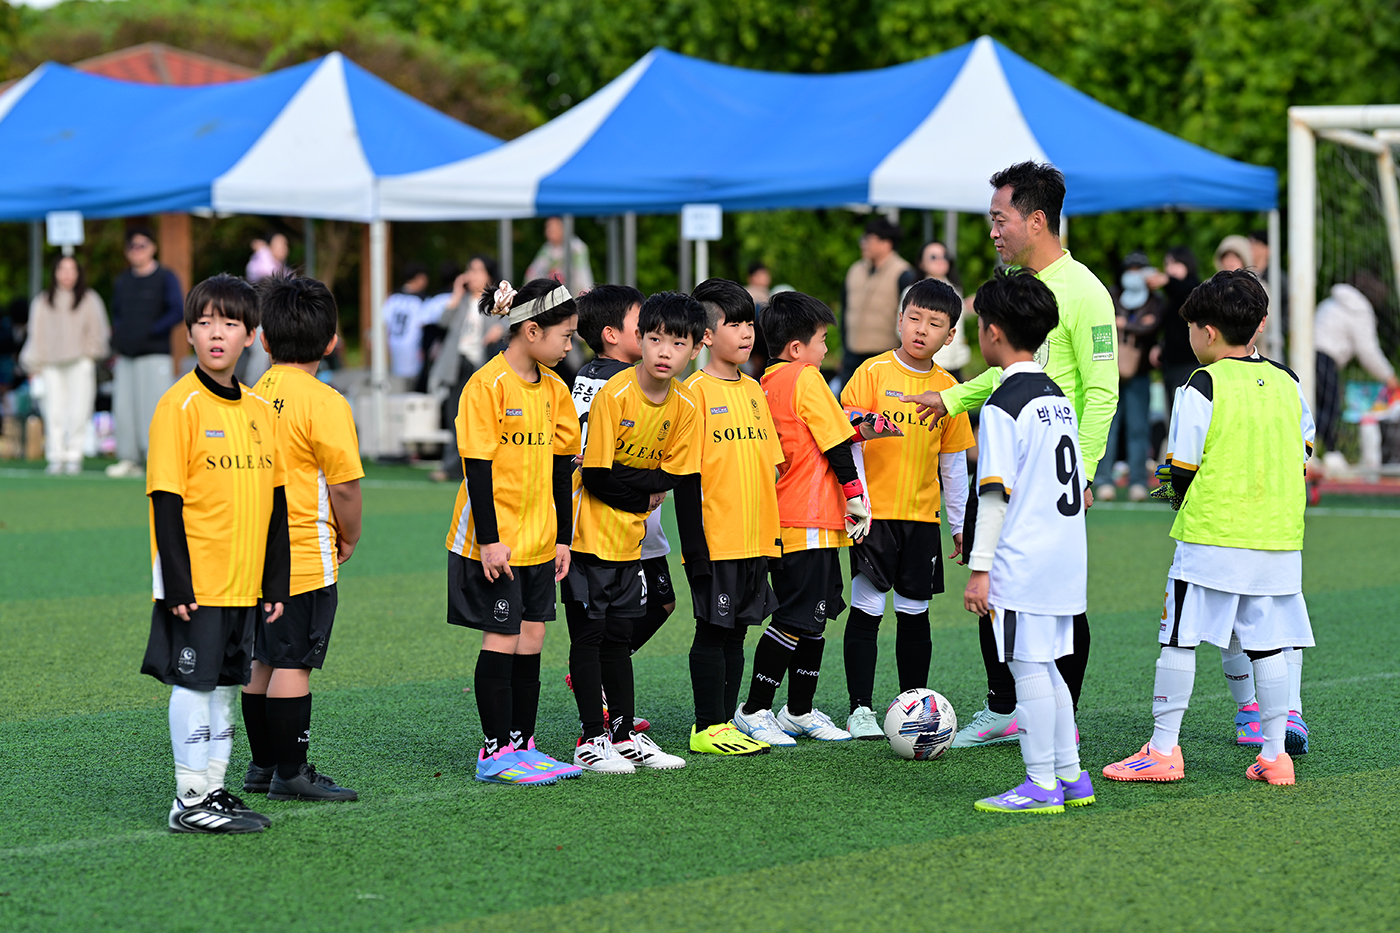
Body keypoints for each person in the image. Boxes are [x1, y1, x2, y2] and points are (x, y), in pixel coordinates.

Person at [903, 161, 1117, 747]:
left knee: (1056, 595)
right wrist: (950, 398)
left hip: (1051, 472)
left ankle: (1060, 716)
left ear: (1037, 220)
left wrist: (1084, 472)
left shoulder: (1086, 293)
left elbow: (1101, 392)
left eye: (1001, 220)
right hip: (1004, 454)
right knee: (991, 576)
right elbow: (1009, 374)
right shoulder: (1017, 288)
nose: (993, 231)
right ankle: (1005, 706)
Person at [1103, 270, 1315, 787]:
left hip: (1211, 538)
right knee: (1268, 643)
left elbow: (1181, 467)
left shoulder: (1203, 383)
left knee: (1178, 639)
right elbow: (1304, 450)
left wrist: (1172, 494)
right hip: (1279, 539)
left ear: (1208, 332)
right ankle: (1274, 756)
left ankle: (1162, 750)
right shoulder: (1288, 381)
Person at [140, 273, 289, 833]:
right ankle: (188, 799)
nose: (216, 333)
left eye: (229, 323)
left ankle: (214, 789)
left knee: (227, 685)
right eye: (204, 323)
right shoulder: (179, 406)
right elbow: (165, 501)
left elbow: (276, 502)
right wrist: (177, 582)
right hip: (197, 582)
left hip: (244, 582)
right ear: (189, 334)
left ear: (251, 334)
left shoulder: (260, 410)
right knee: (194, 684)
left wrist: (275, 581)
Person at [963, 269, 1092, 814]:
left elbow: (994, 495)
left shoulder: (1002, 404)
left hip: (1024, 559)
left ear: (993, 332)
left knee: (1026, 667)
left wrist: (980, 569)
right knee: (1048, 665)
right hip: (1065, 555)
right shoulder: (1057, 396)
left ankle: (1040, 783)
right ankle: (1071, 776)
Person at [445, 277, 583, 785]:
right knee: (502, 637)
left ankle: (523, 745)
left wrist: (562, 537)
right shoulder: (487, 385)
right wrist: (489, 540)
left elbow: (562, 467)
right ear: (531, 331)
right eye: (565, 335)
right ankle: (494, 751)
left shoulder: (556, 389)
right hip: (494, 541)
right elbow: (477, 470)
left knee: (533, 637)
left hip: (539, 541)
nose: (569, 346)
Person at [565, 289, 701, 773]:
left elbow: (673, 476)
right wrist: (644, 494)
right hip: (585, 534)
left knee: (620, 638)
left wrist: (638, 483)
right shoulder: (614, 393)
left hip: (630, 539)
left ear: (695, 349)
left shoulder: (686, 405)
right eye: (656, 339)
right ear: (639, 339)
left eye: (678, 343)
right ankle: (590, 740)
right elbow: (597, 477)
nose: (665, 352)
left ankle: (623, 736)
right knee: (590, 636)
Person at [240, 275, 363, 803]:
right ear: (331, 342)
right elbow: (345, 487)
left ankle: (263, 765)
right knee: (292, 662)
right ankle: (291, 772)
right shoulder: (325, 402)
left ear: (264, 340)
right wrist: (350, 536)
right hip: (302, 552)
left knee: (262, 658)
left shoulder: (248, 395)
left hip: (250, 551)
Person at [840, 278, 975, 738]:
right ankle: (860, 709)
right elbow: (847, 442)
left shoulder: (950, 389)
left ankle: (914, 707)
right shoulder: (871, 373)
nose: (921, 329)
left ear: (950, 336)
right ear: (899, 319)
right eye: (914, 318)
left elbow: (953, 465)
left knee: (915, 612)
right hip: (873, 516)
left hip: (921, 519)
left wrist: (959, 525)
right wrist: (856, 500)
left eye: (934, 324)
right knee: (868, 607)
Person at [733, 287, 866, 747]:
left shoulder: (764, 382)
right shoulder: (806, 377)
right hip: (807, 518)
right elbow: (836, 441)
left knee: (814, 616)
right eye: (822, 339)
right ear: (796, 348)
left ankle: (799, 710)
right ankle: (754, 709)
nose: (826, 349)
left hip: (794, 519)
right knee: (795, 618)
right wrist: (855, 496)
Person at [679, 288, 786, 756]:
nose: (746, 333)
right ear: (706, 335)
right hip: (716, 540)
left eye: (749, 323)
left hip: (755, 537)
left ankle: (724, 724)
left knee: (738, 631)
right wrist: (696, 548)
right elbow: (686, 479)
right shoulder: (693, 394)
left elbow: (770, 466)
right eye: (734, 324)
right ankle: (706, 727)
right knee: (713, 629)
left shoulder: (754, 390)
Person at [568, 284, 677, 668]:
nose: (652, 328)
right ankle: (599, 674)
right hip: (622, 514)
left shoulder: (586, 374)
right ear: (611, 335)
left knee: (645, 606)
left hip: (600, 513)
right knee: (640, 609)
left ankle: (598, 672)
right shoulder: (628, 384)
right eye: (641, 322)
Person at [107, 227, 184, 478]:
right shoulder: (123, 281)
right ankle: (129, 459)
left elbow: (177, 310)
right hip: (127, 355)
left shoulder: (165, 277)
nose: (137, 251)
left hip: (155, 353)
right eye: (132, 246)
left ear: (152, 247)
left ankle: (156, 459)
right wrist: (121, 337)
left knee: (154, 408)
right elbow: (117, 314)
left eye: (142, 245)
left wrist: (152, 331)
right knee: (125, 409)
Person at [20, 256, 110, 475]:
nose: (67, 274)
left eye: (72, 269)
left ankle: (74, 455)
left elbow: (99, 330)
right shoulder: (43, 301)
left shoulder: (89, 299)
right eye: (62, 269)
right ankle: (56, 455)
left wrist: (89, 353)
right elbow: (35, 334)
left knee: (79, 410)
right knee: (53, 411)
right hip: (50, 365)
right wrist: (34, 363)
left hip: (80, 363)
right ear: (55, 272)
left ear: (78, 273)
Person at [428, 256, 505, 483]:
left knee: (481, 419)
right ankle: (451, 466)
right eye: (470, 270)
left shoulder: (498, 300)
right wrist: (456, 293)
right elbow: (442, 322)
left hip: (482, 365)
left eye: (478, 270)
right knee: (456, 416)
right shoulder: (461, 300)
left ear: (489, 275)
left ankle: (478, 466)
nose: (473, 275)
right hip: (457, 365)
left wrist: (499, 329)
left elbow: (511, 322)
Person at [1094, 252, 1163, 503]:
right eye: (1130, 270)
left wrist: (1123, 324)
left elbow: (1152, 326)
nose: (1134, 275)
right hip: (1110, 372)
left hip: (1140, 373)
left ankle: (1137, 482)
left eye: (1139, 270)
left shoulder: (1154, 301)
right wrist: (1135, 325)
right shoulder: (1111, 295)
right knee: (1108, 428)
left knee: (1138, 429)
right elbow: (1101, 324)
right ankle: (1103, 480)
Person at [1314, 271, 1398, 467]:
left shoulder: (1332, 302)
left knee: (1314, 406)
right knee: (1329, 409)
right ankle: (1329, 453)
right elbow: (1368, 351)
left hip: (1309, 356)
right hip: (1326, 359)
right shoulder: (1360, 310)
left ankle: (1320, 452)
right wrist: (1389, 376)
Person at [840, 217, 918, 387]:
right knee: (846, 401)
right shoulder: (855, 270)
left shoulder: (904, 273)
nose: (864, 244)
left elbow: (911, 318)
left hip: (884, 356)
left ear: (886, 243)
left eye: (869, 240)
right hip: (852, 356)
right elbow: (845, 311)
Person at [1147, 247, 1202, 428]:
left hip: (1190, 362)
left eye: (1176, 263)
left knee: (1188, 417)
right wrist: (1160, 346)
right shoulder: (1169, 296)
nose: (1170, 269)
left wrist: (1167, 281)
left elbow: (1184, 290)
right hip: (1171, 363)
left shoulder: (1196, 290)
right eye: (1168, 264)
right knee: (1173, 416)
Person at [911, 240, 972, 379]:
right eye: (933, 257)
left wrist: (969, 307)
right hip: (928, 364)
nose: (940, 260)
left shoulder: (955, 289)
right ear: (921, 263)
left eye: (944, 256)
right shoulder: (913, 292)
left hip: (955, 364)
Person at [385, 261, 431, 387]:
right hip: (412, 350)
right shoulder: (420, 300)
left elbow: (384, 322)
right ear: (419, 278)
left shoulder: (393, 297)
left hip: (393, 346)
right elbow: (425, 323)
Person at [525, 216, 595, 291]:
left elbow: (582, 274)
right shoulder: (547, 249)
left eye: (551, 228)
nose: (547, 232)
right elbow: (533, 272)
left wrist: (584, 293)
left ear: (563, 228)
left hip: (573, 292)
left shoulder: (577, 248)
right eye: (547, 228)